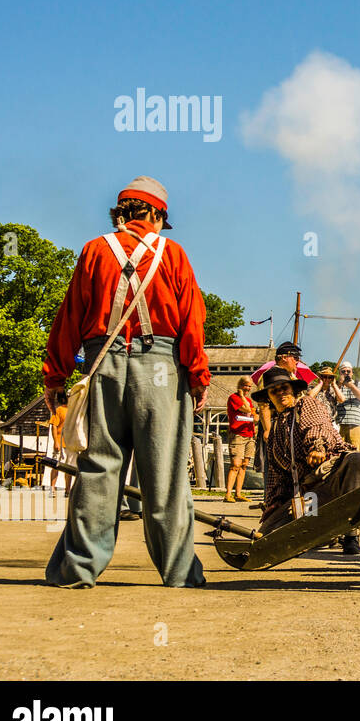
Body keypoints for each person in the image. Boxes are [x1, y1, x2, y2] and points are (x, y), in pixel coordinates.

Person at [42, 175, 208, 588]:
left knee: (98, 471)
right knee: (165, 476)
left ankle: (79, 570)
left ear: (121, 212)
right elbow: (192, 321)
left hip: (102, 366)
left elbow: (70, 317)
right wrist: (199, 377)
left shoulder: (94, 250)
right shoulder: (173, 254)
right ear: (155, 213)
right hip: (162, 369)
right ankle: (179, 573)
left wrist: (56, 377)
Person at [254, 367, 360, 554]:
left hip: (330, 479)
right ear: (269, 397)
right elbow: (276, 475)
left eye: (284, 388)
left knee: (355, 459)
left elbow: (317, 425)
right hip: (308, 495)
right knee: (266, 535)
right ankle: (322, 532)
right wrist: (274, 502)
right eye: (274, 391)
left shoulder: (306, 404)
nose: (280, 393)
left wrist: (317, 447)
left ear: (292, 390)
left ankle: (351, 535)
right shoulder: (274, 430)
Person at [225, 377, 256, 502]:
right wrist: (242, 395)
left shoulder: (249, 400)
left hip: (249, 435)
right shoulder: (234, 398)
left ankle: (238, 493)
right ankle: (228, 494)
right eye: (245, 385)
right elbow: (247, 409)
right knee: (235, 465)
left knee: (244, 465)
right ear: (240, 385)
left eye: (249, 386)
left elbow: (254, 415)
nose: (247, 388)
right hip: (237, 434)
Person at [332, 361, 360, 451]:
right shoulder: (335, 386)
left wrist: (351, 386)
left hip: (356, 423)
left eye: (348, 371)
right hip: (340, 424)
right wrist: (339, 385)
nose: (346, 373)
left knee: (356, 452)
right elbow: (333, 399)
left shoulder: (359, 384)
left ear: (352, 373)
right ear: (339, 373)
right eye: (343, 371)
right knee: (339, 452)